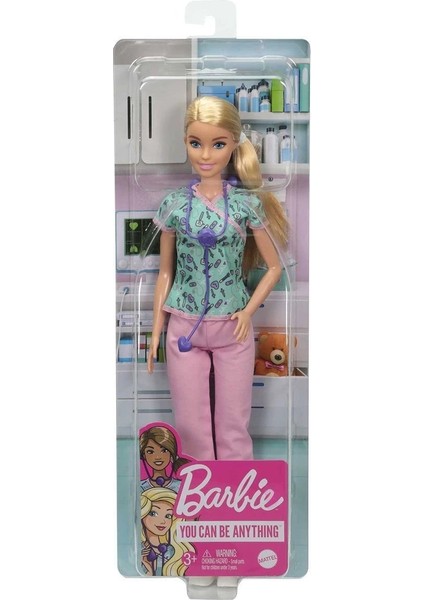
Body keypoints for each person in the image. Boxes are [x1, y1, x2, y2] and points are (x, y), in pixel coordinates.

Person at [147, 96, 289, 462]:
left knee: (233, 425)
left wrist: (247, 312)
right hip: (185, 326)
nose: (206, 155)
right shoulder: (174, 205)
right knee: (190, 425)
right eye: (196, 143)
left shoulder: (245, 204)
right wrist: (156, 331)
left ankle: (236, 488)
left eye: (218, 144)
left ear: (234, 145)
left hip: (232, 325)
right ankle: (198, 488)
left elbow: (274, 267)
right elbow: (166, 271)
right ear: (185, 142)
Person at [140, 487, 195, 576]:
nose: (163, 522)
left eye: (168, 516)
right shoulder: (137, 550)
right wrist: (149, 572)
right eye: (153, 513)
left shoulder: (175, 552)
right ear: (143, 513)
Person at [139, 425, 190, 493]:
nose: (158, 457)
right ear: (144, 455)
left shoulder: (181, 487)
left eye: (164, 451)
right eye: (150, 452)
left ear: (171, 453)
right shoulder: (140, 487)